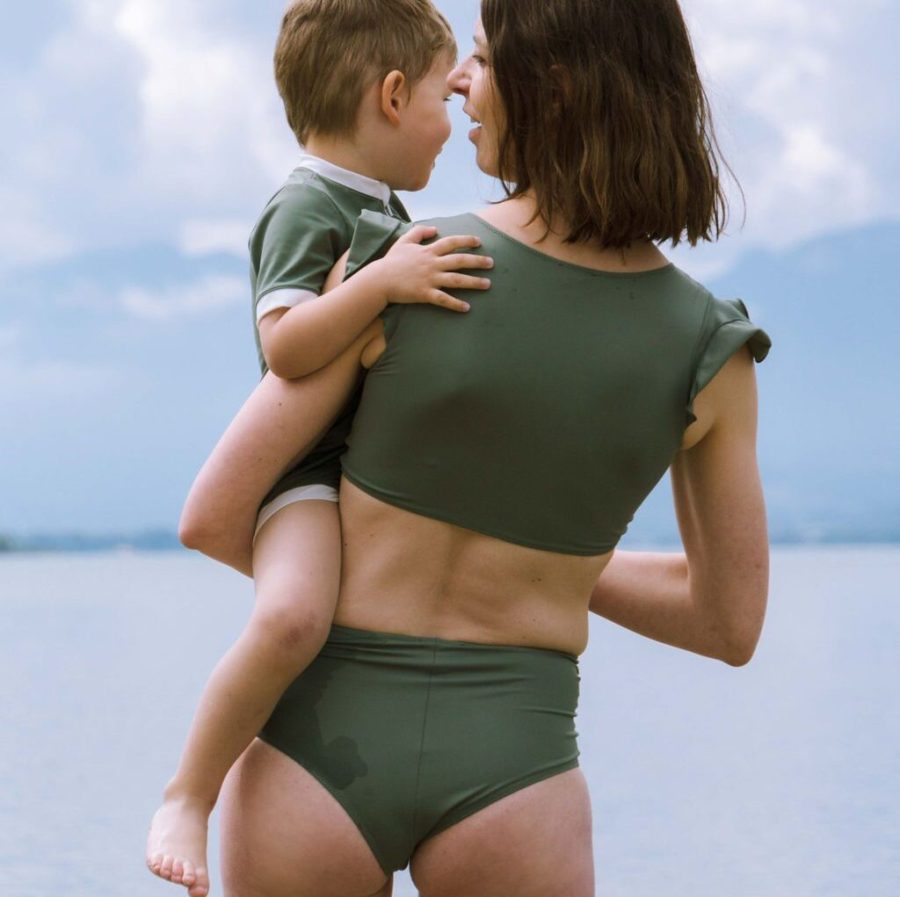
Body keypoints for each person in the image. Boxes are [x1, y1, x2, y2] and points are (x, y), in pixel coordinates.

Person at [177, 0, 772, 894]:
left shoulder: (406, 263)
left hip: (316, 751)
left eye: (484, 60)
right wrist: (549, 565)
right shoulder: (708, 349)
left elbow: (214, 513)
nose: (458, 80)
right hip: (518, 772)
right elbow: (728, 625)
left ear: (555, 89)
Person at [144, 3, 494, 895]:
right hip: (304, 480)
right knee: (294, 616)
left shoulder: (382, 204)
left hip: (365, 482)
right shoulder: (305, 204)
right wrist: (383, 282)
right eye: (437, 98)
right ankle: (190, 790)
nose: (452, 116)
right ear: (388, 96)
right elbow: (286, 347)